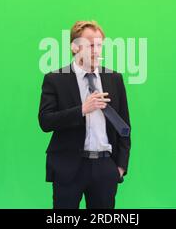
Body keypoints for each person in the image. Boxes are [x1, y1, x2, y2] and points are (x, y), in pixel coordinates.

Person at [38, 20, 131, 209]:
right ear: (74, 47)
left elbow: (124, 127)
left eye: (99, 45)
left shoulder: (114, 78)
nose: (96, 51)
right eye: (90, 45)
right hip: (68, 167)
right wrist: (82, 109)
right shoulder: (55, 79)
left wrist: (120, 167)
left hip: (105, 168)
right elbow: (45, 121)